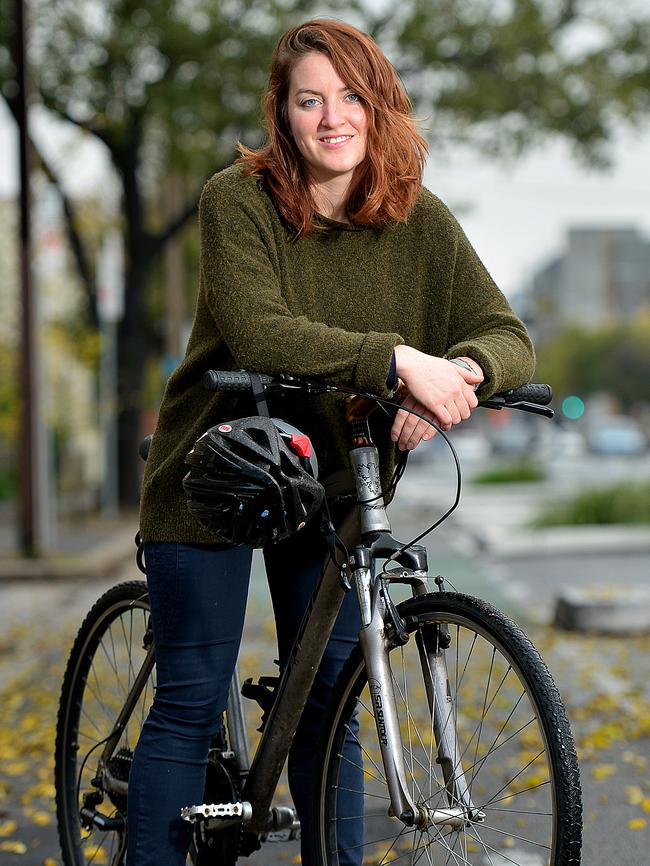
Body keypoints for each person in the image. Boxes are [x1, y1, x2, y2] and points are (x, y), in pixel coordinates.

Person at [130, 17, 535, 866]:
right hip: (218, 467)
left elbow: (504, 334)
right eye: (310, 100)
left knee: (329, 706)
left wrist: (454, 373)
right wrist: (396, 364)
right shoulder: (235, 200)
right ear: (282, 112)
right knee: (192, 700)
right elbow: (263, 332)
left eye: (351, 96)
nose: (332, 118)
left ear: (380, 106)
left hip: (335, 482)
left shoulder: (420, 223)